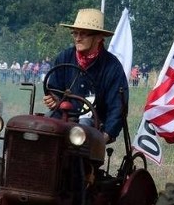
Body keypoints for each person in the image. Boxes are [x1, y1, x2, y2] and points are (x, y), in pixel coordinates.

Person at [43, 8, 129, 144]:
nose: (77, 38)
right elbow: (54, 88)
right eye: (75, 33)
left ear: (99, 37)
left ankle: (78, 166)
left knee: (82, 128)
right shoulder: (64, 57)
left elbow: (117, 107)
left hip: (95, 122)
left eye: (83, 34)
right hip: (64, 116)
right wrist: (53, 99)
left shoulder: (112, 66)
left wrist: (107, 135)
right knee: (43, 128)